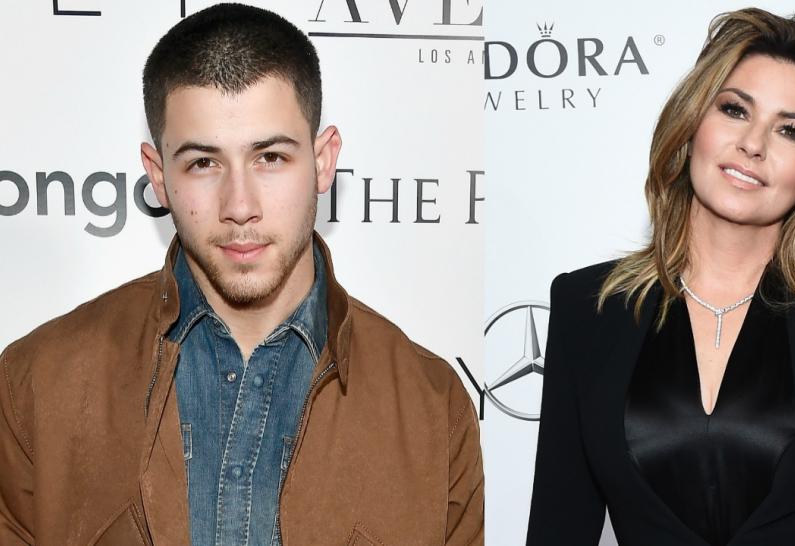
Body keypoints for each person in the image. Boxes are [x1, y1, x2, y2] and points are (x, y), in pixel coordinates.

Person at [0, 4, 483, 545]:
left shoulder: (432, 408)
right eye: (203, 163)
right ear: (158, 176)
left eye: (270, 157)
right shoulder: (35, 385)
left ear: (324, 161)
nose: (240, 206)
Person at [526, 8, 795, 546]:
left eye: (791, 131)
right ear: (692, 125)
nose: (754, 144)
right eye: (735, 109)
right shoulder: (587, 306)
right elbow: (557, 527)